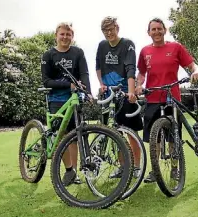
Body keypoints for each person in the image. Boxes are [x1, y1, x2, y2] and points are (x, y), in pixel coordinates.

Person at [135, 17, 198, 183]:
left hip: (172, 98)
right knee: (154, 138)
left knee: (173, 136)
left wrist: (196, 70)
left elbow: (191, 65)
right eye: (153, 29)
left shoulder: (175, 47)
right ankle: (155, 171)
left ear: (165, 30)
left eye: (159, 29)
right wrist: (138, 85)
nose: (157, 32)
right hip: (152, 98)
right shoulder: (145, 52)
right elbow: (142, 74)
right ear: (148, 32)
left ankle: (174, 169)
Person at [41, 22, 92, 186]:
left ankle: (74, 173)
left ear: (72, 37)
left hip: (75, 99)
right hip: (56, 100)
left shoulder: (78, 52)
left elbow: (84, 74)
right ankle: (69, 169)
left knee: (74, 136)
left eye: (68, 35)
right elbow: (46, 81)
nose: (65, 37)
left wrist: (88, 92)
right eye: (62, 34)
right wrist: (67, 85)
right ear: (56, 35)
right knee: (61, 136)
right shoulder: (48, 55)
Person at [96, 16, 143, 178]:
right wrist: (101, 84)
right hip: (109, 96)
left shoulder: (127, 44)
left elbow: (131, 69)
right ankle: (122, 167)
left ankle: (136, 167)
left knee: (131, 132)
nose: (109, 33)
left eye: (111, 29)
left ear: (117, 27)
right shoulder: (102, 46)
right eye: (105, 30)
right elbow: (98, 67)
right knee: (113, 133)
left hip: (124, 92)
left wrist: (131, 92)